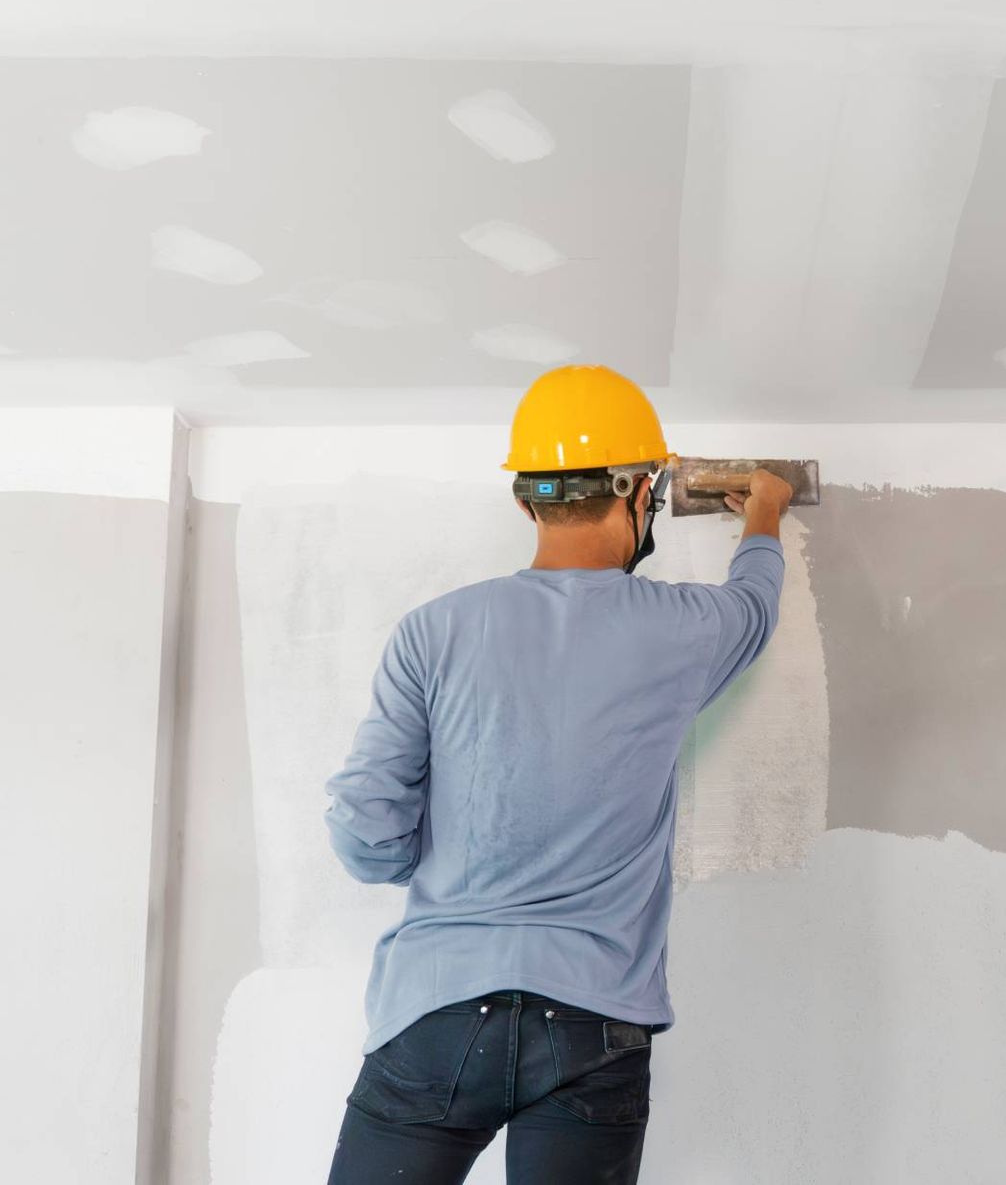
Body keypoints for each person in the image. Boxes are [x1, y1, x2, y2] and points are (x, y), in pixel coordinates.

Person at [323, 364, 792, 1183]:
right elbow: (754, 605)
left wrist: (445, 848)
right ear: (641, 491)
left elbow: (365, 841)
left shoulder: (432, 632)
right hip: (592, 1020)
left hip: (435, 1006)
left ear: (523, 497)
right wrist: (765, 509)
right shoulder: (683, 627)